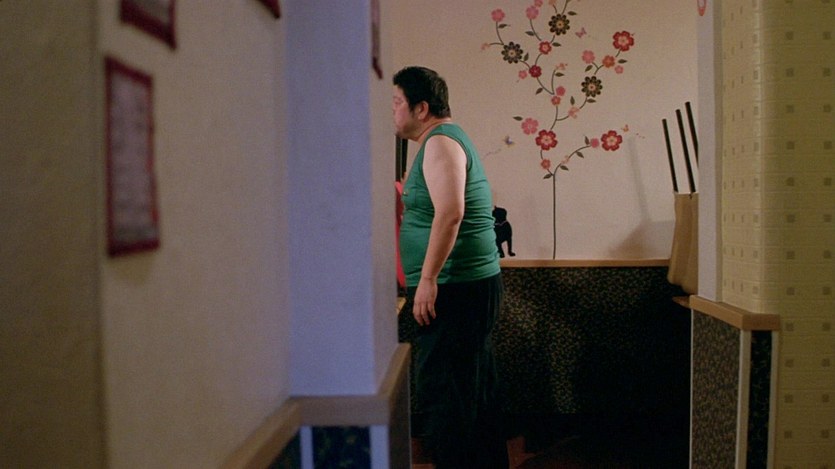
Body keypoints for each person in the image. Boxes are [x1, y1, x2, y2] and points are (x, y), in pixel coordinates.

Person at [393, 66, 508, 468]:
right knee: (471, 393)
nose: (392, 112)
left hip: (455, 287)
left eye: (397, 102)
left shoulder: (440, 143)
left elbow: (451, 212)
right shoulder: (440, 141)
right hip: (463, 286)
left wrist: (427, 279)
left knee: (448, 398)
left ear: (421, 108)